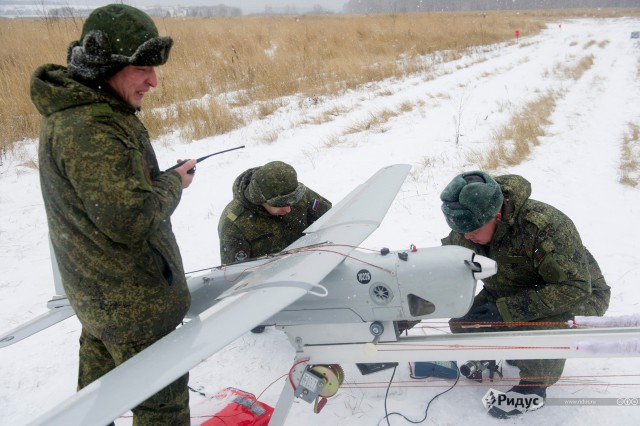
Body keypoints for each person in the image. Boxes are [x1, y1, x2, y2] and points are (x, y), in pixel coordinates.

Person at [31, 4, 195, 425]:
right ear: (107, 63)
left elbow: (115, 200)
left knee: (93, 407)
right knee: (163, 412)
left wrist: (160, 179)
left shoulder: (87, 112)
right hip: (133, 309)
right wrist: (174, 183)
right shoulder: (92, 128)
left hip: (103, 302)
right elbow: (130, 219)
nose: (153, 81)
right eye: (143, 67)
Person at [439, 171, 610, 419]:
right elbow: (447, 272)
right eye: (460, 229)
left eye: (472, 229)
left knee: (534, 332)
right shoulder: (469, 224)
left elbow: (575, 287)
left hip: (579, 296)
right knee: (464, 323)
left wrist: (507, 310)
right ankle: (509, 353)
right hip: (509, 288)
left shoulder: (544, 226)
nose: (465, 236)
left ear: (496, 215)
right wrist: (409, 312)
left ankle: (534, 387)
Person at [218, 161, 332, 331]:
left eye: (291, 202)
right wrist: (252, 309)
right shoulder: (234, 224)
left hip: (309, 265)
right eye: (281, 205)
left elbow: (328, 217)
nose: (288, 209)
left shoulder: (295, 193)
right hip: (268, 283)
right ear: (261, 199)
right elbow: (235, 275)